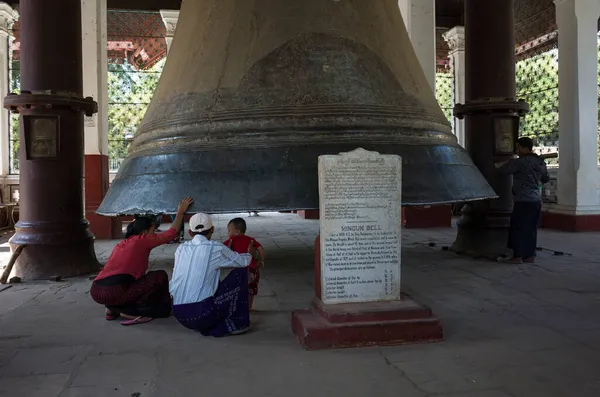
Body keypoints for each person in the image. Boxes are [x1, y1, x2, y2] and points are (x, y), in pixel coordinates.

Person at [90, 197, 194, 326]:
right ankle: (130, 311)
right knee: (159, 277)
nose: (154, 234)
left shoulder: (122, 244)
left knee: (136, 282)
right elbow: (171, 234)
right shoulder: (142, 240)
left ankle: (111, 308)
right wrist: (180, 213)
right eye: (152, 231)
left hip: (97, 291)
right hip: (115, 291)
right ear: (144, 232)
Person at [170, 213, 261, 337]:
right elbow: (243, 261)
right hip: (201, 315)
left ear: (190, 232)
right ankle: (238, 322)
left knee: (213, 276)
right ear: (212, 229)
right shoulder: (216, 248)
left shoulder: (181, 249)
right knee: (240, 273)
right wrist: (252, 254)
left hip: (179, 314)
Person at [495, 137, 550, 264]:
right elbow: (545, 179)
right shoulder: (540, 162)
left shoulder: (520, 162)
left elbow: (502, 171)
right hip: (536, 200)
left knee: (518, 228)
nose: (517, 150)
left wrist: (506, 162)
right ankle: (529, 255)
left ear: (525, 148)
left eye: (518, 147)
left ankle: (517, 256)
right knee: (531, 229)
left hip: (523, 200)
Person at [224, 218, 265, 310]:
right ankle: (249, 307)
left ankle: (238, 306)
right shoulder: (250, 239)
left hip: (239, 269)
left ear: (237, 231)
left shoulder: (232, 239)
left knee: (237, 288)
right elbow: (260, 249)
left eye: (229, 230)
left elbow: (221, 248)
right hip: (253, 270)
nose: (228, 233)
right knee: (251, 289)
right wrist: (261, 260)